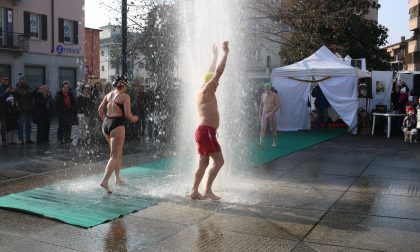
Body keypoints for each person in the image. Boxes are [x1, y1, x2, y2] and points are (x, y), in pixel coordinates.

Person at [190, 41, 229, 200]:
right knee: (219, 161)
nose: (217, 83)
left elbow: (211, 71)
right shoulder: (208, 88)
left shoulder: (202, 88)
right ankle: (207, 191)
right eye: (215, 81)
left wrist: (214, 56)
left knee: (204, 163)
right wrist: (225, 53)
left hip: (203, 131)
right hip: (207, 132)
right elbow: (218, 71)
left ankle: (194, 190)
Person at [98, 75, 138, 194]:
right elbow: (127, 114)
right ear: (124, 85)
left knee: (116, 153)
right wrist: (134, 118)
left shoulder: (108, 95)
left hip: (106, 125)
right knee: (114, 156)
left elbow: (100, 110)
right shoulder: (125, 96)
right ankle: (105, 181)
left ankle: (117, 178)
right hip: (117, 125)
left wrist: (106, 120)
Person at [258, 82, 280, 147]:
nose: (267, 90)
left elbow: (277, 105)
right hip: (264, 112)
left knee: (273, 128)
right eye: (265, 89)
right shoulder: (263, 95)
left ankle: (274, 142)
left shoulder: (275, 95)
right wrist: (259, 113)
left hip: (272, 113)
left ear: (270, 88)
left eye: (268, 89)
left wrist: (272, 112)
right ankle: (260, 142)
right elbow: (261, 105)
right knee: (262, 128)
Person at [15, 75, 34, 144]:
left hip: (28, 109)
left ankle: (28, 139)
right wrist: (26, 93)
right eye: (22, 79)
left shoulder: (28, 86)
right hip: (21, 109)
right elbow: (20, 94)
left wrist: (25, 93)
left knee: (28, 124)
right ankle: (21, 139)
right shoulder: (17, 87)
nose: (23, 81)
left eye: (24, 79)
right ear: (20, 81)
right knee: (21, 125)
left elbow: (31, 92)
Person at [0, 76, 11, 145]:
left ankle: (6, 140)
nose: (6, 80)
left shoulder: (9, 87)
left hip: (7, 109)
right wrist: (5, 92)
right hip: (1, 109)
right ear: (1, 80)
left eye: (7, 79)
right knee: (3, 125)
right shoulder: (1, 87)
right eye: (5, 79)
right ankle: (4, 141)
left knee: (5, 125)